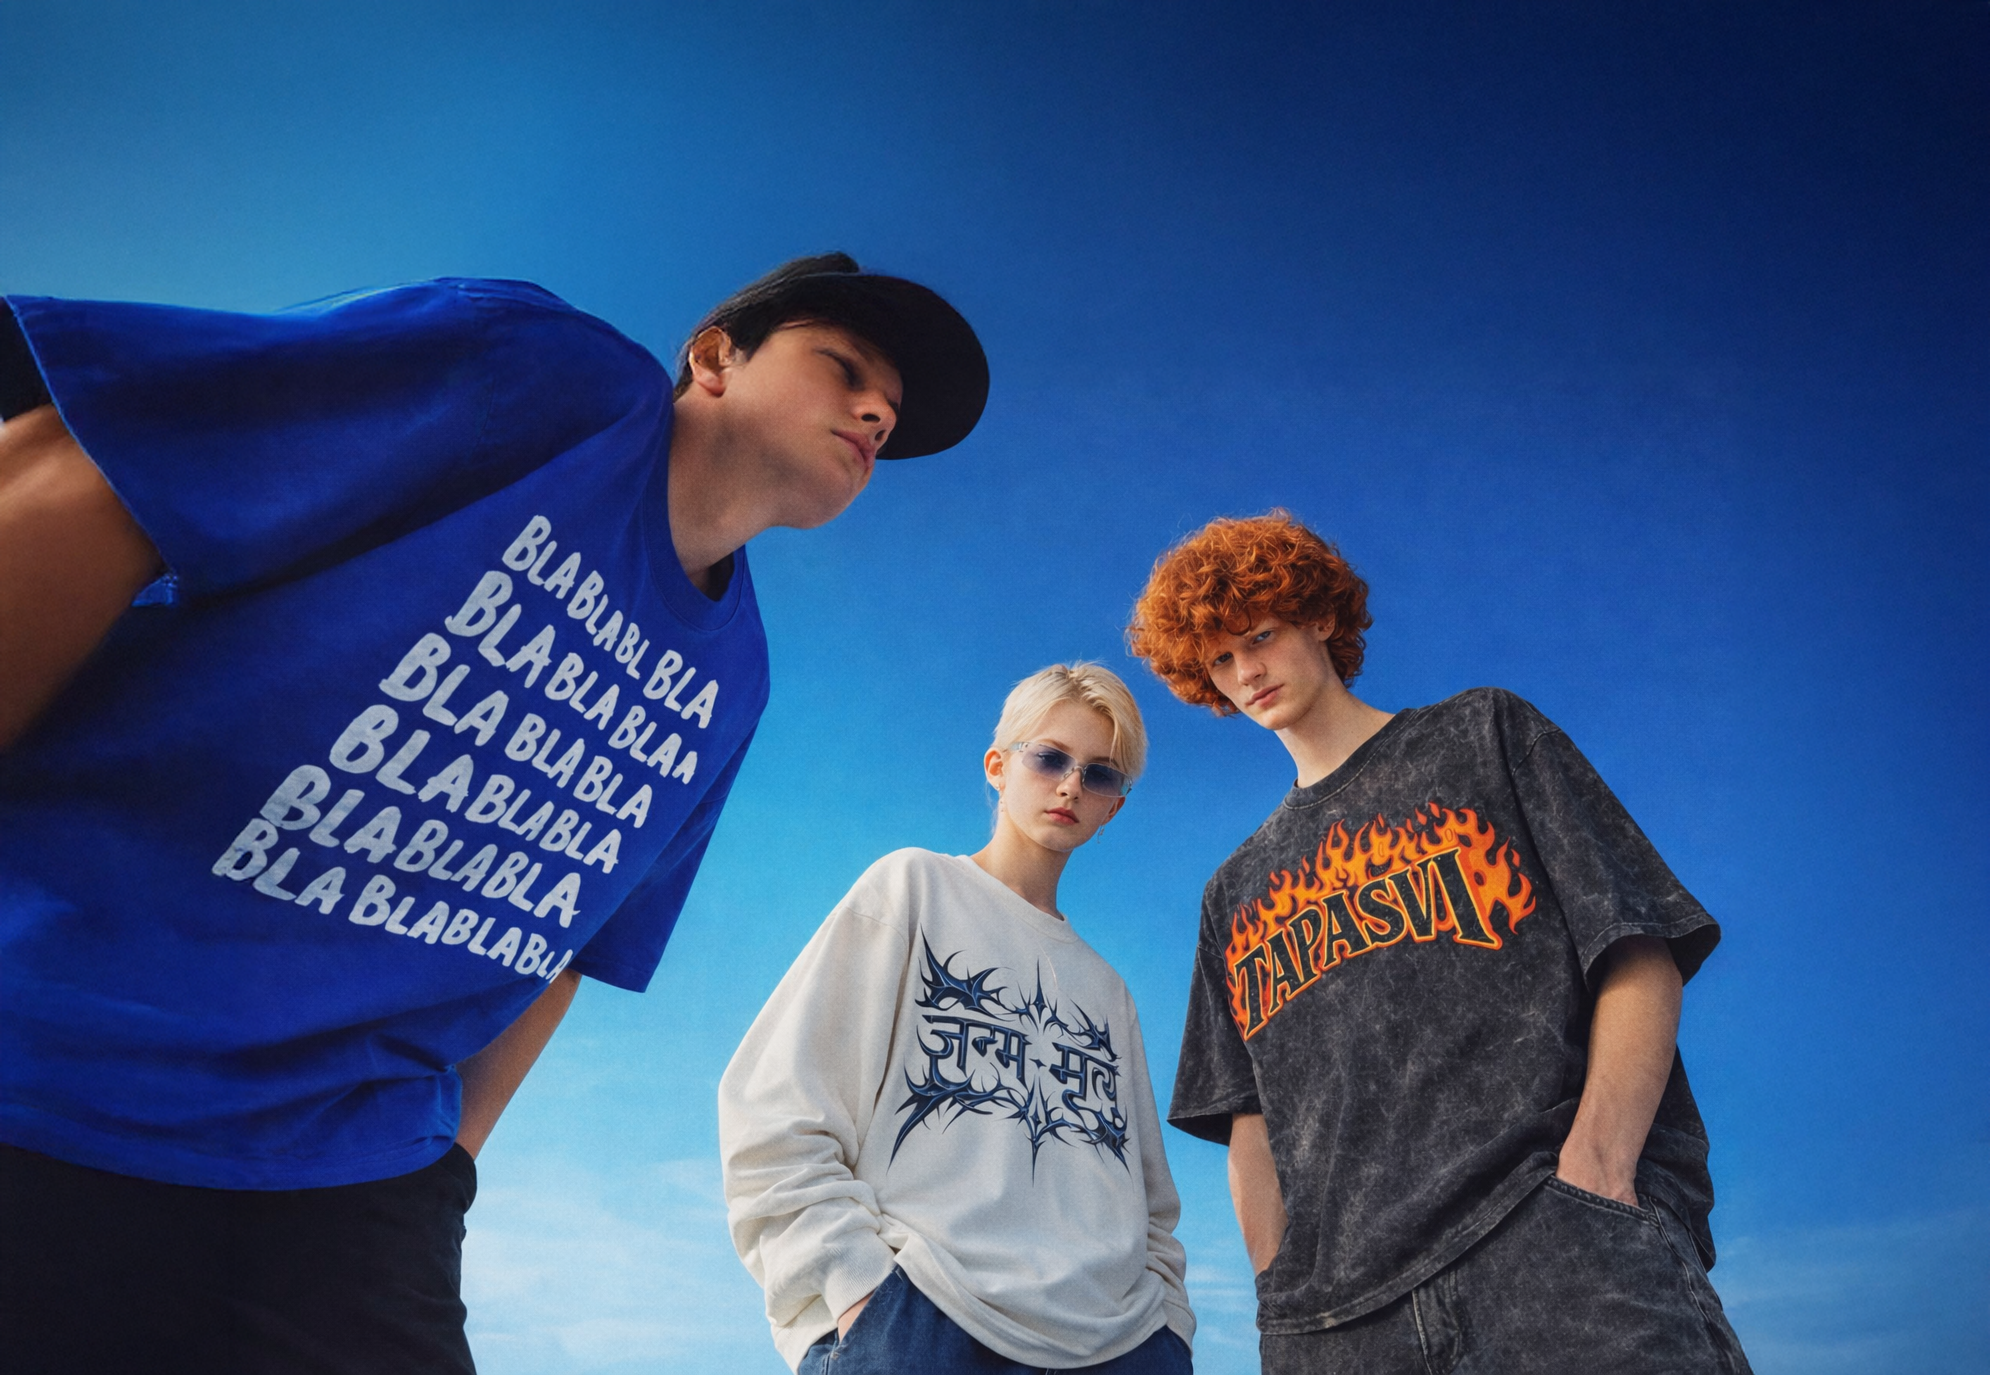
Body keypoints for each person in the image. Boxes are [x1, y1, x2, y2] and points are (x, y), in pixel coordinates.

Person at [0, 254, 988, 1374]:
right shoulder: (545, 383)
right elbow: (87, 460)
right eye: (844, 366)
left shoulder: (736, 679)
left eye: (889, 415)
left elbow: (575, 942)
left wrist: (443, 1172)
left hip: (349, 1189)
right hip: (50, 1064)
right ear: (714, 357)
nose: (873, 412)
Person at [1126, 512, 1752, 1374]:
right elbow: (1249, 1121)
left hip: (1551, 1253)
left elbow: (1636, 949)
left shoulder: (1482, 736)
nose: (1246, 672)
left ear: (1318, 617)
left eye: (1260, 636)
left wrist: (1596, 1173)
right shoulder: (1233, 890)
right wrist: (1283, 1299)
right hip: (1341, 1325)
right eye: (1220, 660)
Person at [719, 663, 1195, 1375]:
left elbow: (1150, 1201)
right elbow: (777, 1105)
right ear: (998, 766)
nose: (1070, 784)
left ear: (1113, 807)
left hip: (1118, 1347)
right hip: (923, 1329)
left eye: (1099, 774)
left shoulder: (1108, 989)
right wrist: (859, 1293)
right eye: (1050, 757)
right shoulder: (912, 888)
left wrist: (1168, 1327)